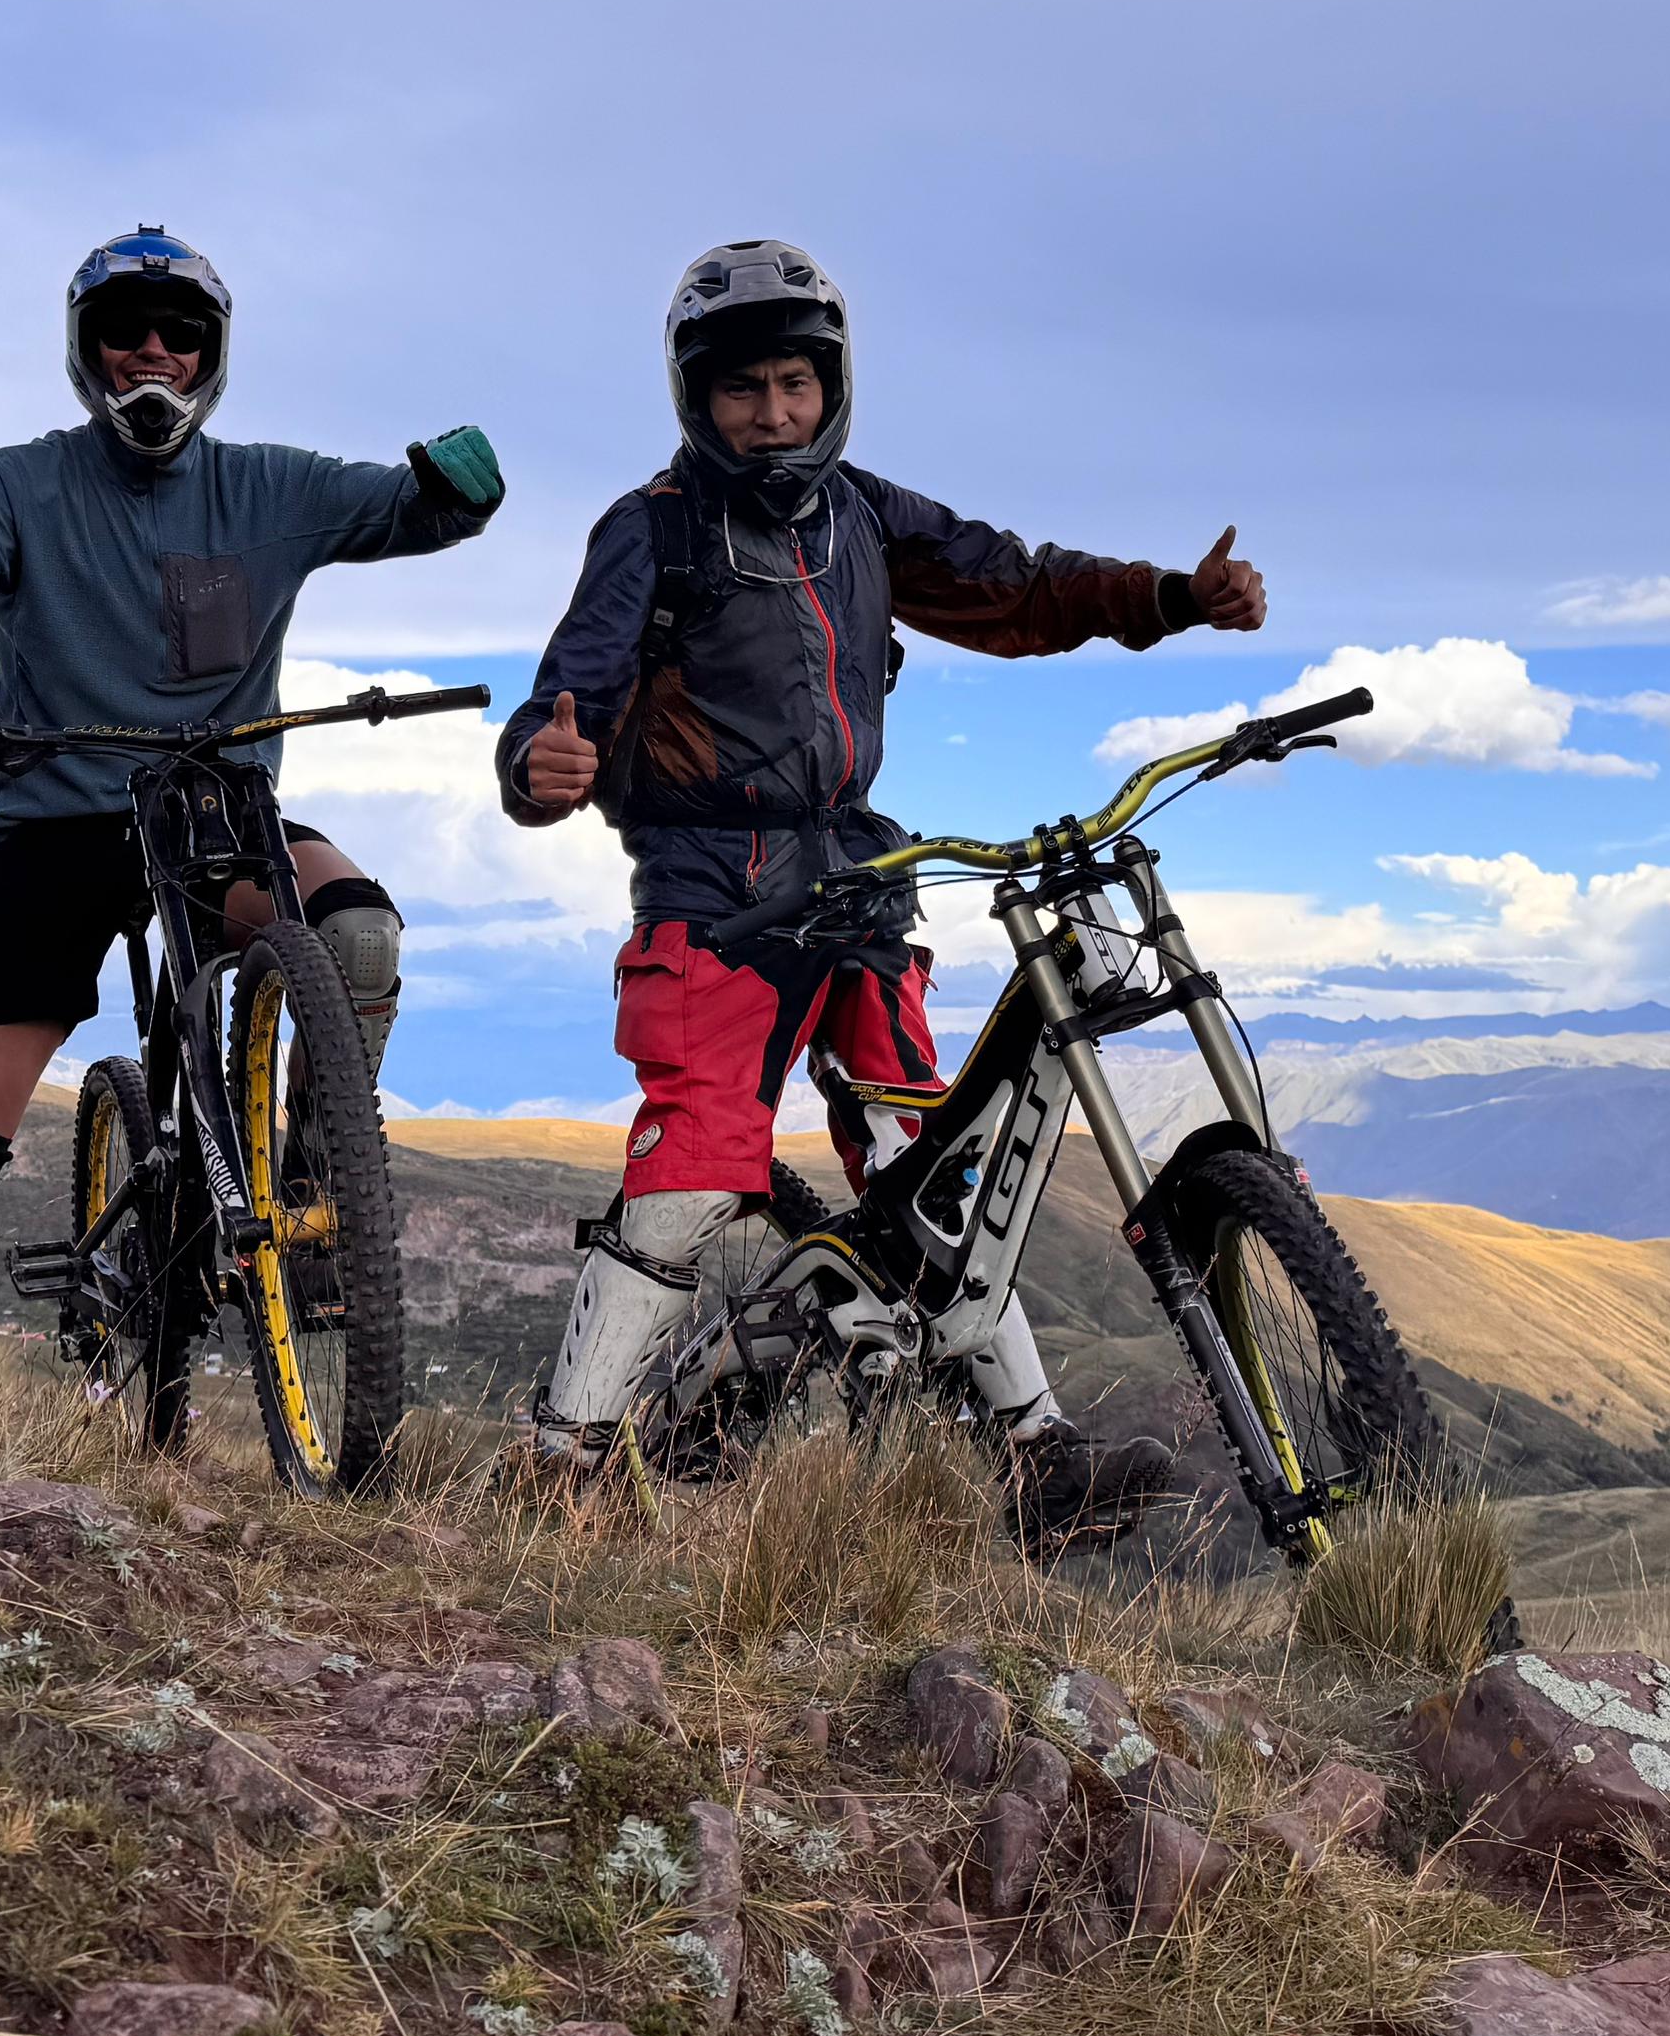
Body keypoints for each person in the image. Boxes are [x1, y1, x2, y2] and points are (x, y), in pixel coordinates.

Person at [494, 240, 1268, 1546]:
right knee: (698, 1162)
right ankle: (560, 1462)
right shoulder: (651, 528)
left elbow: (1010, 582)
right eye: (746, 391)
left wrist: (1169, 600)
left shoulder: (861, 512)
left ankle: (1035, 1459)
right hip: (711, 895)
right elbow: (568, 690)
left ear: (832, 381)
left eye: (797, 383)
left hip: (860, 884)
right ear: (697, 397)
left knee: (927, 1160)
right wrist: (541, 763)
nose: (776, 413)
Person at [0, 229, 505, 1379]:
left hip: (212, 817)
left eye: (180, 336)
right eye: (124, 333)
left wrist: (458, 490)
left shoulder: (270, 487)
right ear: (84, 352)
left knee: (353, 934)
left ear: (211, 355)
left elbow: (404, 509)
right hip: (48, 820)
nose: (153, 353)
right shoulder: (18, 481)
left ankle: (306, 1189)